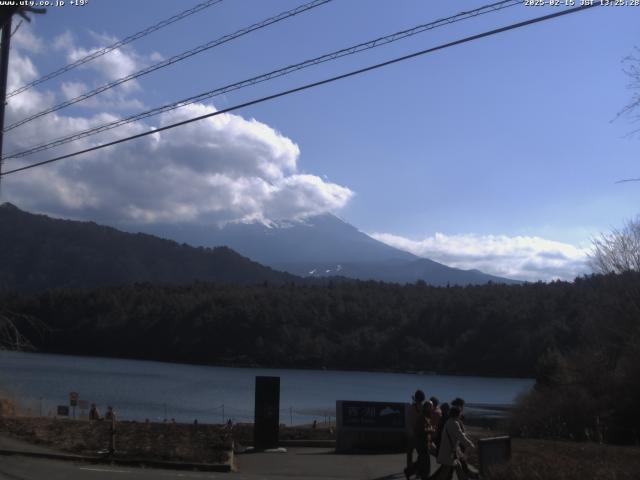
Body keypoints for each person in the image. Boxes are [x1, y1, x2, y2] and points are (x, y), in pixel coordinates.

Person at [433, 406, 474, 480]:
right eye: (460, 413)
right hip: (449, 453)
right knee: (443, 475)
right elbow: (460, 436)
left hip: (450, 452)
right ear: (457, 414)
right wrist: (470, 444)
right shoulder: (454, 423)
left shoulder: (449, 421)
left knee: (458, 469)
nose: (461, 415)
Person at [404, 389, 431, 480]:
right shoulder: (424, 407)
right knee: (422, 455)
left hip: (412, 434)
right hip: (421, 435)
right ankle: (417, 471)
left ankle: (409, 469)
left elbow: (409, 421)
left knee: (410, 453)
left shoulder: (411, 408)